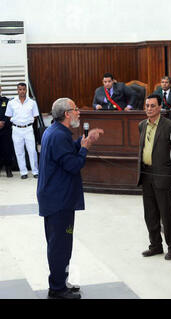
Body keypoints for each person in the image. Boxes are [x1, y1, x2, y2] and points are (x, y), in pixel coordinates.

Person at [37, 98, 104, 299]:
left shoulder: (57, 131)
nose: (78, 113)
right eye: (76, 110)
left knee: (61, 243)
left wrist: (83, 142)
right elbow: (73, 165)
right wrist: (85, 148)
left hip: (56, 197)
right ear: (67, 113)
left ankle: (60, 281)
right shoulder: (58, 136)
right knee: (60, 245)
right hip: (58, 199)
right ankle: (57, 289)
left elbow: (65, 154)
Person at [138, 94, 171, 261]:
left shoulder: (170, 126)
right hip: (146, 174)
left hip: (163, 176)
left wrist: (170, 175)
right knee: (150, 213)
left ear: (159, 107)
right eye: (147, 105)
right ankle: (155, 245)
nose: (149, 108)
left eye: (152, 106)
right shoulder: (142, 125)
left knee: (167, 213)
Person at [5, 83, 39, 179]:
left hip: (28, 129)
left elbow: (35, 115)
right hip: (16, 129)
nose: (22, 91)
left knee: (32, 151)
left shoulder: (32, 102)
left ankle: (35, 171)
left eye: (24, 89)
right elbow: (9, 115)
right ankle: (23, 172)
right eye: (20, 89)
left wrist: (29, 121)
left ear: (26, 90)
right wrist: (15, 121)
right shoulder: (11, 102)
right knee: (19, 152)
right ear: (17, 90)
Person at [0, 85, 14, 177]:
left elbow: (10, 114)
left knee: (7, 149)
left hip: (5, 130)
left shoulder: (6, 101)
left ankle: (8, 169)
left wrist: (3, 122)